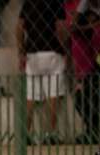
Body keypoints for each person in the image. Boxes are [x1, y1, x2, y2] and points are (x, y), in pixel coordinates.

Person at [17, 0, 67, 143]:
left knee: (31, 97)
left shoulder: (28, 3)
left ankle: (26, 133)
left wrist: (21, 51)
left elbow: (19, 27)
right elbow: (60, 28)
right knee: (53, 96)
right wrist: (65, 49)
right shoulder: (56, 3)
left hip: (32, 52)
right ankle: (50, 134)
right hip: (52, 50)